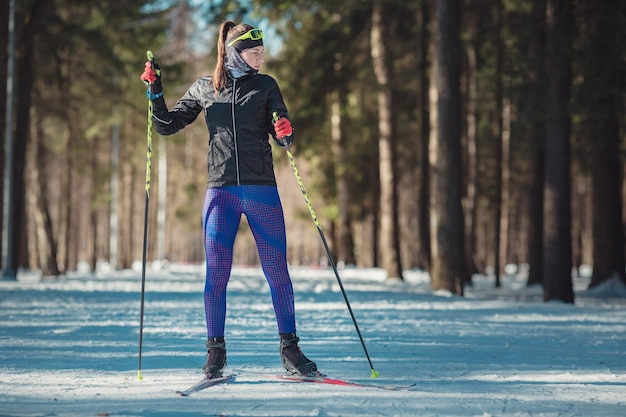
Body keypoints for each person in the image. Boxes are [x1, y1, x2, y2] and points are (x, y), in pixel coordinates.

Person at [140, 21, 318, 379]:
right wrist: (155, 90)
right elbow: (166, 125)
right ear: (234, 51)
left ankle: (290, 348)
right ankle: (215, 352)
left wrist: (285, 129)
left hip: (261, 190)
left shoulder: (266, 85)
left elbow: (282, 133)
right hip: (220, 191)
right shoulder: (205, 89)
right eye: (255, 52)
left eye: (262, 52)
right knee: (217, 274)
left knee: (277, 272)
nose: (260, 58)